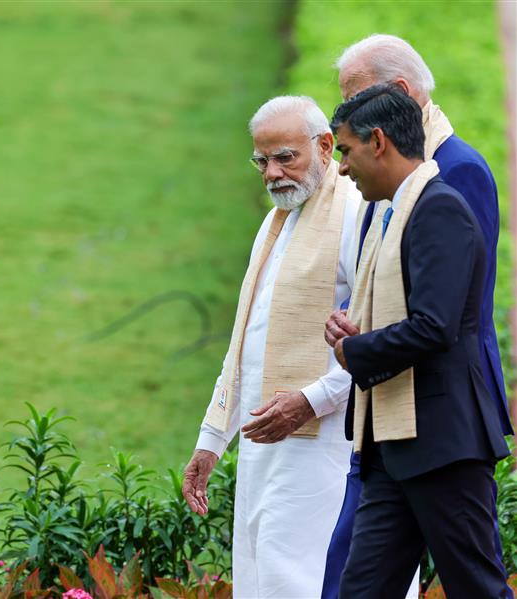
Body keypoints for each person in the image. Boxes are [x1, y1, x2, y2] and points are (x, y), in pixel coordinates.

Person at [321, 34, 513, 599]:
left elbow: (447, 319)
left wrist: (357, 350)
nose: (342, 168)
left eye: (347, 151)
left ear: (379, 138)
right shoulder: (395, 195)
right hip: (388, 435)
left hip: (441, 429)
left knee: (476, 587)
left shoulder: (447, 186)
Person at [181, 95, 360, 598]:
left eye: (286, 157)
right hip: (265, 442)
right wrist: (211, 439)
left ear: (325, 146)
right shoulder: (275, 221)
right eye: (262, 160)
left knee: (304, 577)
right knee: (261, 574)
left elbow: (380, 339)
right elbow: (246, 342)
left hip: (324, 443)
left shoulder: (354, 215)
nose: (272, 173)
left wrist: (311, 400)